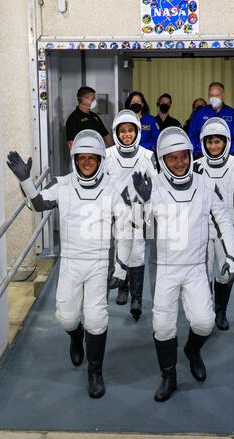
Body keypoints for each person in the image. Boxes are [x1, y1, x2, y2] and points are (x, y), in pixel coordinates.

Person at [7, 130, 132, 400]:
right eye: (82, 158)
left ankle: (95, 371)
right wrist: (26, 180)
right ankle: (76, 338)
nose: (87, 163)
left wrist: (121, 267)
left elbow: (125, 229)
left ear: (101, 160)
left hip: (99, 262)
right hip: (71, 262)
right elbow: (38, 203)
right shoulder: (62, 184)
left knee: (97, 319)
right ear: (74, 159)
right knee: (66, 317)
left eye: (92, 158)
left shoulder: (112, 189)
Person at [132, 127, 234, 402]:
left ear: (191, 156)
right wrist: (141, 203)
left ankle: (192, 350)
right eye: (172, 158)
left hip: (194, 267)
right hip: (165, 268)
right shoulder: (151, 185)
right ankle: (169, 376)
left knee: (204, 323)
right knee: (163, 326)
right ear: (162, 160)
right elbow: (138, 228)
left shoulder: (205, 186)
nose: (179, 164)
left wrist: (231, 257)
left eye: (183, 157)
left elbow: (224, 219)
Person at [197, 117, 234, 330]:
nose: (213, 146)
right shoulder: (196, 166)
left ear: (226, 141)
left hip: (226, 230)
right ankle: (207, 310)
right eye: (209, 142)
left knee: (225, 273)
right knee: (202, 272)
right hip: (201, 230)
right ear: (204, 143)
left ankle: (221, 310)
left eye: (217, 142)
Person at [106, 110, 157, 320]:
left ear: (137, 132)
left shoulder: (147, 156)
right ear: (116, 132)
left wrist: (149, 211)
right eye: (122, 131)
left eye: (130, 130)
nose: (127, 134)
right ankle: (122, 288)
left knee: (137, 251)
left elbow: (155, 186)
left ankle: (136, 297)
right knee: (117, 248)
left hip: (138, 210)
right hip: (113, 210)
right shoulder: (107, 155)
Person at [189, 82, 234, 159]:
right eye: (211, 95)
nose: (214, 98)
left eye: (217, 95)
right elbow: (192, 136)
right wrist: (195, 154)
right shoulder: (199, 114)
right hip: (202, 156)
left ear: (223, 95)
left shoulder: (232, 114)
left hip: (227, 157)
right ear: (208, 95)